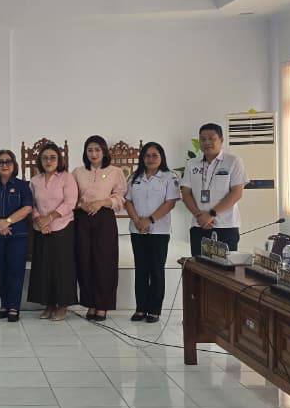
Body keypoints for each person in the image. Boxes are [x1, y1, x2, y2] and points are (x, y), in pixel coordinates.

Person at [124, 142, 182, 322]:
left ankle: (155, 309)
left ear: (161, 157)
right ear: (142, 158)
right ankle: (140, 308)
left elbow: (170, 202)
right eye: (147, 156)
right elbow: (128, 201)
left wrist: (149, 220)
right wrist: (137, 221)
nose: (150, 159)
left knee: (156, 270)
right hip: (137, 230)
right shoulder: (135, 177)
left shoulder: (169, 177)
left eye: (154, 155)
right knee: (141, 269)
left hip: (159, 231)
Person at [72, 136, 126, 321]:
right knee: (84, 260)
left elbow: (120, 198)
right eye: (90, 150)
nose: (93, 153)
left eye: (97, 149)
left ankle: (103, 305)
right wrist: (81, 205)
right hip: (82, 218)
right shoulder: (78, 172)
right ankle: (90, 303)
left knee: (104, 261)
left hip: (104, 218)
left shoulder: (115, 172)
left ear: (104, 151)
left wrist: (102, 202)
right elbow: (71, 196)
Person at [0, 150, 33, 321]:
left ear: (14, 165)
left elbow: (27, 207)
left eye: (8, 161)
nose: (4, 165)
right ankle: (4, 304)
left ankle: (14, 307)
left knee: (16, 271)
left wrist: (7, 222)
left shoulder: (23, 186)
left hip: (18, 235)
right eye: (1, 162)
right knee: (2, 271)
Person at [28, 143, 79, 321]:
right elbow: (31, 204)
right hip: (41, 228)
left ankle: (62, 305)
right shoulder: (35, 180)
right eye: (45, 158)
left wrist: (49, 218)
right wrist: (39, 220)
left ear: (59, 159)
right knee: (44, 267)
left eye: (52, 157)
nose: (48, 161)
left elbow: (70, 202)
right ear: (39, 161)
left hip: (62, 227)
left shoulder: (67, 178)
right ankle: (48, 304)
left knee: (61, 267)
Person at [181, 122, 249, 255]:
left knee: (224, 272)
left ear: (221, 140)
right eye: (203, 139)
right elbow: (186, 193)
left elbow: (236, 193)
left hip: (225, 226)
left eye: (212, 138)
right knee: (199, 269)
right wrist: (199, 215)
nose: (207, 142)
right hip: (199, 225)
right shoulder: (192, 163)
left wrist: (211, 214)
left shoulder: (233, 161)